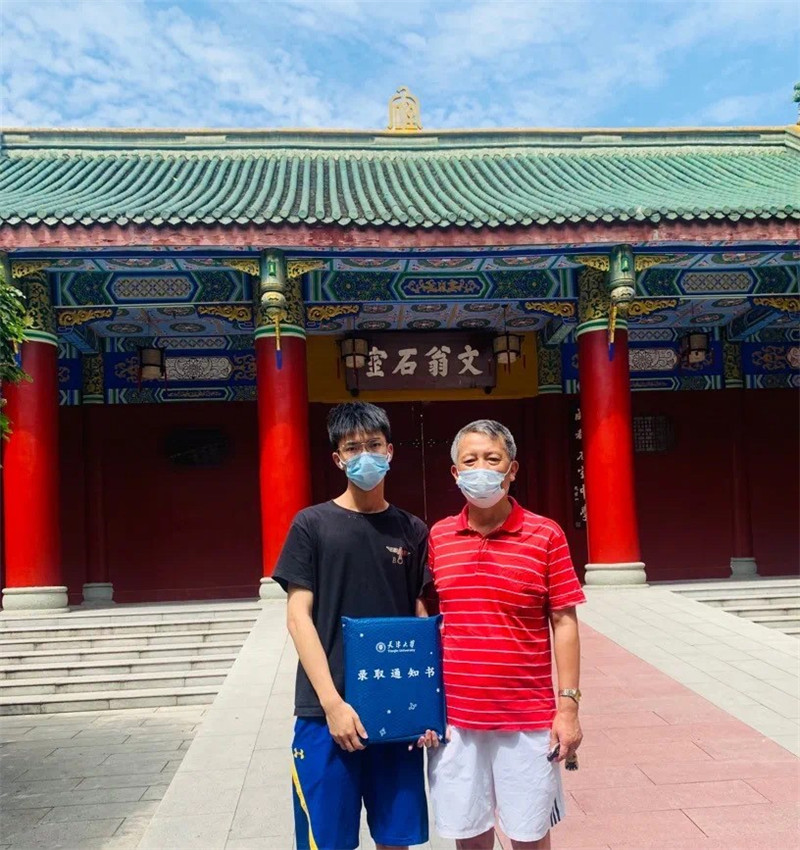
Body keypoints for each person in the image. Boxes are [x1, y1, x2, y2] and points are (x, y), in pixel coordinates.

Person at [273, 401, 435, 850]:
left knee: (395, 839)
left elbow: (420, 619)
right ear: (337, 458)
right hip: (324, 713)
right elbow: (298, 617)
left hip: (395, 710)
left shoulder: (412, 530)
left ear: (390, 451)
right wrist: (332, 705)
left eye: (374, 445)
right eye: (353, 448)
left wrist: (424, 707)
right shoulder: (311, 525)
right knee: (328, 842)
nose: (366, 455)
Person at [426, 419, 585, 850]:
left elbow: (564, 622)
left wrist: (568, 708)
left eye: (492, 459)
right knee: (468, 837)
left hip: (528, 718)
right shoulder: (439, 537)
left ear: (512, 469)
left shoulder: (545, 534)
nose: (481, 468)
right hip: (456, 720)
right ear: (455, 473)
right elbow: (425, 619)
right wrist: (421, 708)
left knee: (529, 835)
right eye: (469, 460)